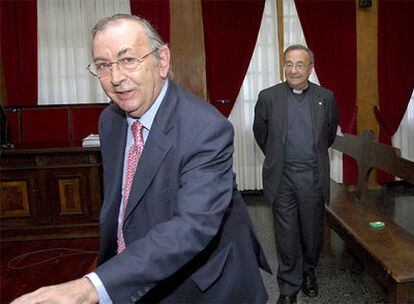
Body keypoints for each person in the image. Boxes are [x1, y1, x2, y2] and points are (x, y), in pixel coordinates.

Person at [11, 14, 271, 304]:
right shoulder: (110, 120)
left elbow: (191, 227)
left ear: (162, 61)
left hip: (203, 288)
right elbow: (126, 203)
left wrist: (89, 287)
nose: (116, 78)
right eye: (103, 65)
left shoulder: (205, 128)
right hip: (138, 274)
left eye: (128, 60)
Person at [253, 44, 339, 304]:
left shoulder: (326, 97)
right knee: (286, 235)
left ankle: (309, 272)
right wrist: (279, 157)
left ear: (310, 68)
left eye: (300, 64)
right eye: (288, 64)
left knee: (312, 234)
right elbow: (261, 134)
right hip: (282, 178)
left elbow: (329, 134)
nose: (293, 70)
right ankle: (289, 287)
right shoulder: (268, 97)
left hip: (312, 177)